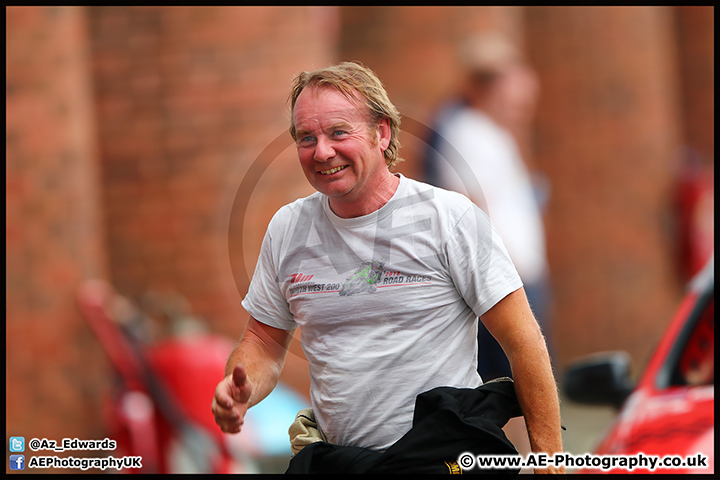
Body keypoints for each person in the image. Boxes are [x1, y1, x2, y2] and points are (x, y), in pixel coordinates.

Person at [212, 61, 564, 473]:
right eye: (307, 137)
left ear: (382, 133)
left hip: (444, 456)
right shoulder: (287, 228)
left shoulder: (448, 218)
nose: (321, 151)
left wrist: (549, 463)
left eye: (338, 132)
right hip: (341, 461)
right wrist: (241, 387)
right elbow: (264, 342)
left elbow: (524, 343)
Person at [423, 32, 553, 382]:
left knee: (526, 384)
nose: (519, 110)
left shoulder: (489, 133)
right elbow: (471, 210)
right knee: (513, 386)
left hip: (516, 276)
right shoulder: (467, 133)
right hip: (502, 282)